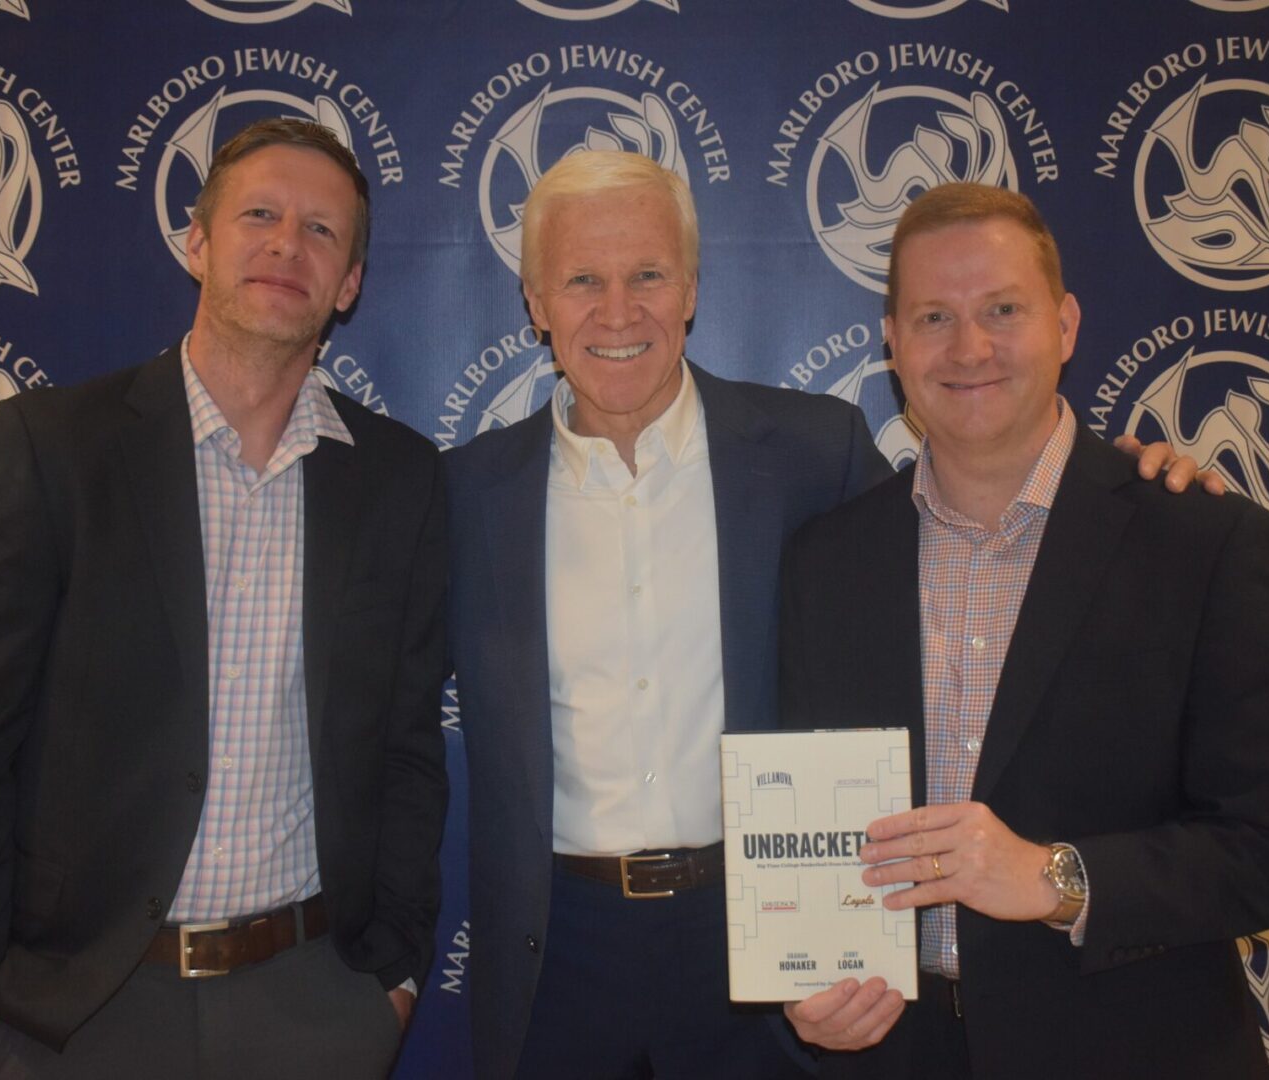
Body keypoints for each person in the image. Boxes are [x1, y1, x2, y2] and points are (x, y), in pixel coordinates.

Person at [445, 152, 1211, 1079]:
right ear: (534, 302)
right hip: (556, 953)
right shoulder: (463, 496)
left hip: (774, 941)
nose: (618, 310)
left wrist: (1136, 479)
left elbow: (978, 541)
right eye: (581, 280)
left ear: (690, 289)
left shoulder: (814, 452)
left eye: (648, 274)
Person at [0, 119, 448, 1080]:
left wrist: (391, 985)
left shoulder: (398, 480)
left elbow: (408, 750)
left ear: (351, 284)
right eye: (259, 215)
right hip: (82, 1013)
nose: (289, 243)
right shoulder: (57, 448)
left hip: (318, 1003)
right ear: (197, 242)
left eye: (324, 231)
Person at [778, 182, 1269, 1079]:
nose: (970, 348)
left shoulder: (1202, 537)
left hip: (1137, 1052)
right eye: (933, 317)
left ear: (1065, 326)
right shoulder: (826, 562)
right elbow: (813, 834)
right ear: (891, 345)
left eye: (1003, 309)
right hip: (895, 1057)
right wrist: (812, 985)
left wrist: (1057, 877)